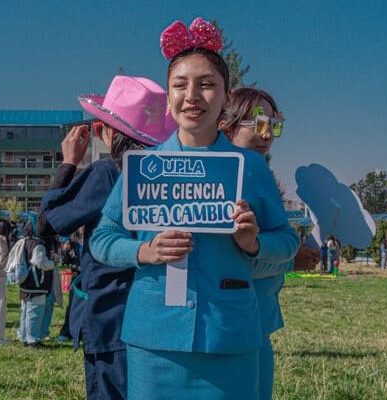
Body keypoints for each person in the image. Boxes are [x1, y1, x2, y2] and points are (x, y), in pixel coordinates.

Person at [90, 18, 299, 398]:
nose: (193, 96)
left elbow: (287, 242)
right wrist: (144, 250)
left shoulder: (249, 167)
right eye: (180, 85)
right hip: (154, 340)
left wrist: (254, 245)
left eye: (206, 84)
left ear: (224, 94)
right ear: (169, 96)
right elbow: (102, 238)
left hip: (229, 336)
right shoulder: (144, 166)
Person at [38, 74, 178, 399]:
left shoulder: (107, 173)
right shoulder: (165, 177)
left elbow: (47, 223)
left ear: (108, 130)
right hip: (155, 313)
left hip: (110, 318)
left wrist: (69, 162)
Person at [220, 86, 319, 400]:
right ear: (228, 124)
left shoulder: (258, 170)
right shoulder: (231, 174)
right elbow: (227, 259)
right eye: (261, 124)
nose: (269, 134)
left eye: (275, 126)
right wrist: (291, 260)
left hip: (256, 315)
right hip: (236, 318)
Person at [15, 219, 55, 347]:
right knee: (35, 311)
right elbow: (40, 263)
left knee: (26, 310)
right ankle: (33, 339)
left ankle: (24, 336)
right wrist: (52, 263)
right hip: (36, 283)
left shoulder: (23, 241)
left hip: (25, 282)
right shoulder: (38, 244)